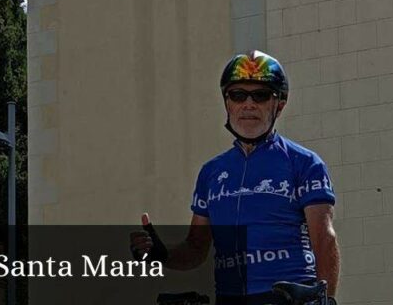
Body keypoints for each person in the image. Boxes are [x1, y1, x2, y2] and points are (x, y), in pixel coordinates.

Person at [131, 51, 340, 305]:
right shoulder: (211, 172)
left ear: (279, 105)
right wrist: (160, 254)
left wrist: (326, 300)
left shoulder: (304, 163)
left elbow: (324, 238)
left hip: (287, 297)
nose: (248, 104)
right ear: (227, 103)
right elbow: (196, 249)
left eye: (261, 95)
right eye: (238, 95)